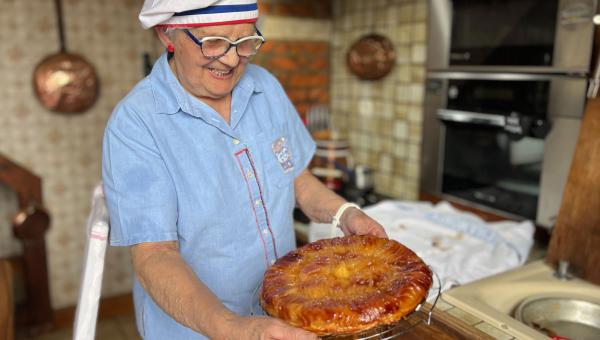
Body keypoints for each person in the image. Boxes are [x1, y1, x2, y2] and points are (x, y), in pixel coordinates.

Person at [102, 1, 388, 339]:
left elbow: (296, 178)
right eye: (213, 42)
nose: (231, 59)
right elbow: (154, 256)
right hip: (198, 330)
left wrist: (345, 213)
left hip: (284, 313)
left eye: (245, 42)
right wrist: (235, 329)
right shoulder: (136, 123)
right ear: (168, 35)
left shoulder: (265, 87)